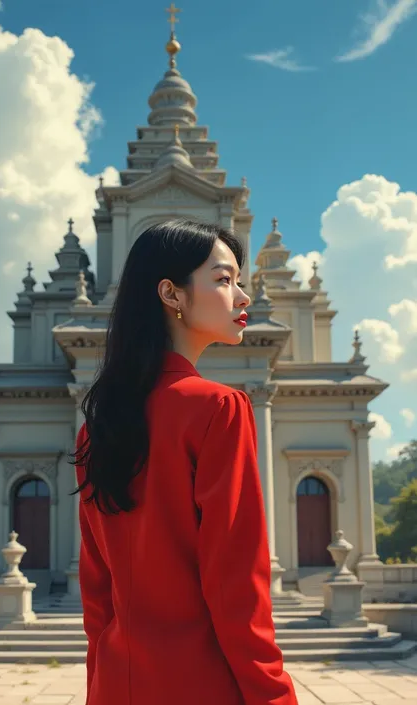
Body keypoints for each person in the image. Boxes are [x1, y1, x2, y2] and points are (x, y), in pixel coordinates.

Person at [73, 219, 298, 705]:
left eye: (240, 281)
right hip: (202, 686)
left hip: (116, 685)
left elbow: (97, 596)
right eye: (223, 279)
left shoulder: (96, 428)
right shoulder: (220, 409)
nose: (243, 298)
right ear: (171, 294)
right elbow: (237, 589)